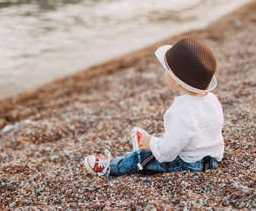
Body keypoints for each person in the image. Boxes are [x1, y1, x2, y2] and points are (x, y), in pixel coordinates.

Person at [84, 37, 224, 177]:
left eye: (166, 69)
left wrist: (151, 143)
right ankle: (149, 145)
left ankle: (111, 166)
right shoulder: (211, 100)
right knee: (172, 141)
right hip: (211, 160)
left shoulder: (180, 111)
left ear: (178, 82)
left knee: (141, 158)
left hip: (189, 164)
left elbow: (168, 153)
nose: (164, 72)